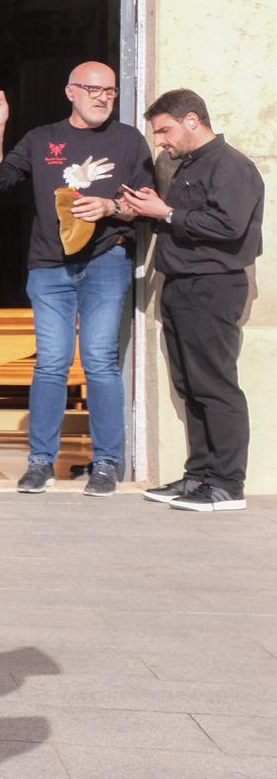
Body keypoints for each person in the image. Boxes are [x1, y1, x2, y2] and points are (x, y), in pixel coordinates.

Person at [0, 63, 153, 496]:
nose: (103, 97)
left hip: (106, 261)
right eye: (93, 89)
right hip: (49, 267)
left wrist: (110, 208)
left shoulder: (129, 140)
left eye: (110, 90)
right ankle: (40, 462)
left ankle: (107, 463)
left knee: (99, 361)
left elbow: (142, 203)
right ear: (70, 90)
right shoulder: (41, 139)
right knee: (51, 364)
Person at [120, 88, 264, 512]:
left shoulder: (231, 165)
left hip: (213, 286)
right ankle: (200, 475)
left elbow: (229, 225)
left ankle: (227, 484)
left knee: (215, 384)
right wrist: (150, 210)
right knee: (189, 384)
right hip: (181, 284)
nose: (160, 141)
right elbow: (182, 220)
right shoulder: (186, 165)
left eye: (164, 130)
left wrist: (164, 212)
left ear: (192, 120)